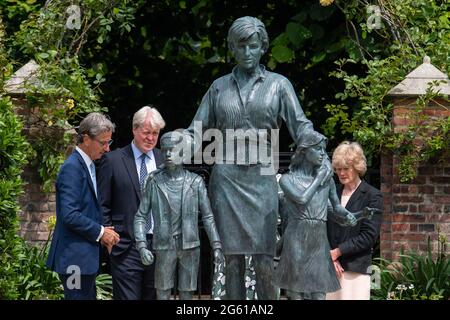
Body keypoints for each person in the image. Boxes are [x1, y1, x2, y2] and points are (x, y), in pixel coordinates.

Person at [182, 16, 321, 300]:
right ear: (232, 48)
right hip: (227, 180)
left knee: (264, 260)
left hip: (262, 179)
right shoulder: (218, 87)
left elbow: (300, 124)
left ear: (263, 48)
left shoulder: (279, 85)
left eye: (253, 46)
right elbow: (197, 128)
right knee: (231, 260)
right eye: (241, 46)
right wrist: (182, 141)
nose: (247, 53)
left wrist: (312, 139)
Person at [134, 131, 224, 300]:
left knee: (187, 291)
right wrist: (142, 246)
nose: (167, 154)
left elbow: (208, 216)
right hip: (164, 246)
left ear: (183, 153)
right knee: (162, 290)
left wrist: (216, 245)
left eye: (173, 150)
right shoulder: (154, 182)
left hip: (190, 246)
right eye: (165, 150)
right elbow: (140, 216)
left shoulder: (195, 182)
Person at [274, 131, 363, 300]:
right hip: (297, 236)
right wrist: (319, 178)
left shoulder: (327, 181)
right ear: (304, 152)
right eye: (318, 150)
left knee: (319, 292)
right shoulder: (287, 180)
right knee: (296, 291)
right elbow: (301, 199)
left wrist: (350, 215)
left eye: (324, 150)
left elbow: (335, 207)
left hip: (319, 238)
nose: (323, 154)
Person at [46, 112, 120, 300]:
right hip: (74, 260)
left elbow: (88, 208)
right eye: (103, 143)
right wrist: (101, 232)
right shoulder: (72, 167)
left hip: (82, 260)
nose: (107, 149)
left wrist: (103, 230)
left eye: (109, 143)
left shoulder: (88, 165)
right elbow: (69, 214)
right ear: (86, 138)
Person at [97, 106, 165, 300]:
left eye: (155, 133)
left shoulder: (164, 161)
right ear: (134, 129)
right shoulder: (113, 160)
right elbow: (102, 203)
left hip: (159, 247)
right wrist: (109, 238)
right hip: (125, 247)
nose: (151, 138)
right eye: (146, 132)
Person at [326, 141, 383, 300]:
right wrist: (330, 257)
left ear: (357, 167)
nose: (341, 173)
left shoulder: (372, 196)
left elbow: (369, 237)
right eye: (338, 169)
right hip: (331, 269)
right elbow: (322, 228)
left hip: (355, 270)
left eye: (345, 168)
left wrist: (336, 252)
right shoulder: (332, 193)